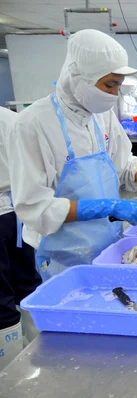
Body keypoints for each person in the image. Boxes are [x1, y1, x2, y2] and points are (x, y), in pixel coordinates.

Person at [6, 29, 137, 281]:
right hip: (62, 254)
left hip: (109, 242)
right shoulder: (32, 124)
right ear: (78, 77)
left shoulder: (101, 114)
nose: (113, 94)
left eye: (118, 86)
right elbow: (35, 207)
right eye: (109, 84)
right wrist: (109, 206)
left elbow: (123, 164)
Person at [0, 107, 41, 370]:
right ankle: (40, 353)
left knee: (1, 296)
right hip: (19, 213)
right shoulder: (10, 117)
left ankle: (10, 370)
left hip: (9, 212)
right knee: (27, 283)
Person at [119, 84, 137, 158]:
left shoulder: (132, 98)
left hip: (135, 125)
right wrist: (134, 115)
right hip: (128, 126)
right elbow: (123, 114)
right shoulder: (125, 98)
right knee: (133, 149)